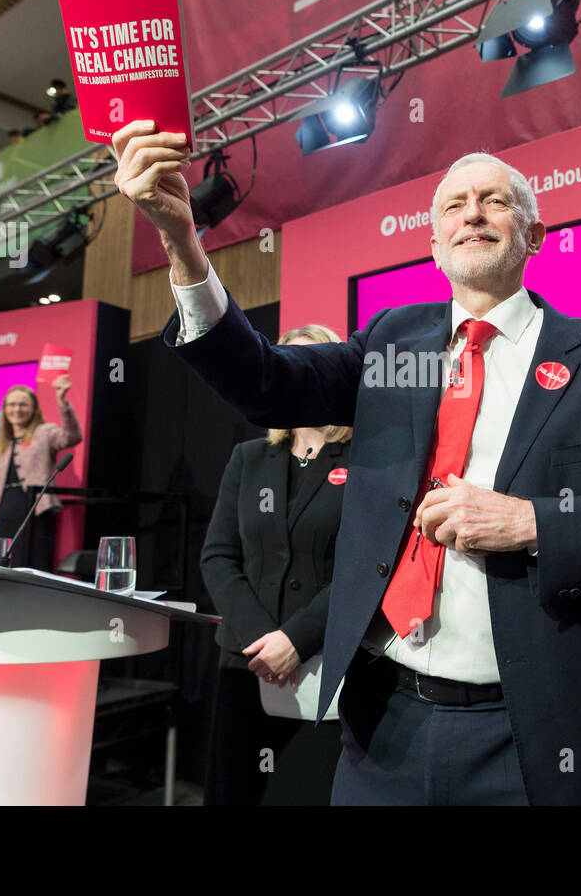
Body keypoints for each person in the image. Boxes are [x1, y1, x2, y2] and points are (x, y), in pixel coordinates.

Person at [114, 122, 581, 806]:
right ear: (436, 246)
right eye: (453, 204)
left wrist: (533, 522)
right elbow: (265, 380)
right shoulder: (389, 341)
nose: (472, 212)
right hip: (385, 729)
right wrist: (181, 242)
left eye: (494, 200)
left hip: (534, 738)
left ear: (532, 235)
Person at [201, 325, 351, 806]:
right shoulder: (248, 457)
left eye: (312, 365)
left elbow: (368, 565)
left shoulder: (367, 456)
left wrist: (296, 640)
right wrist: (263, 640)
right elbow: (218, 556)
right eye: (286, 366)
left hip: (329, 666)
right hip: (246, 662)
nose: (298, 377)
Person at [0, 376, 81, 570]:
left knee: (32, 566)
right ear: (5, 409)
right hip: (3, 511)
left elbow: (72, 436)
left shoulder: (45, 432)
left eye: (23, 404)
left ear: (33, 409)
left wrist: (62, 401)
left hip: (35, 509)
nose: (17, 409)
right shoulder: (0, 443)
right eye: (12, 404)